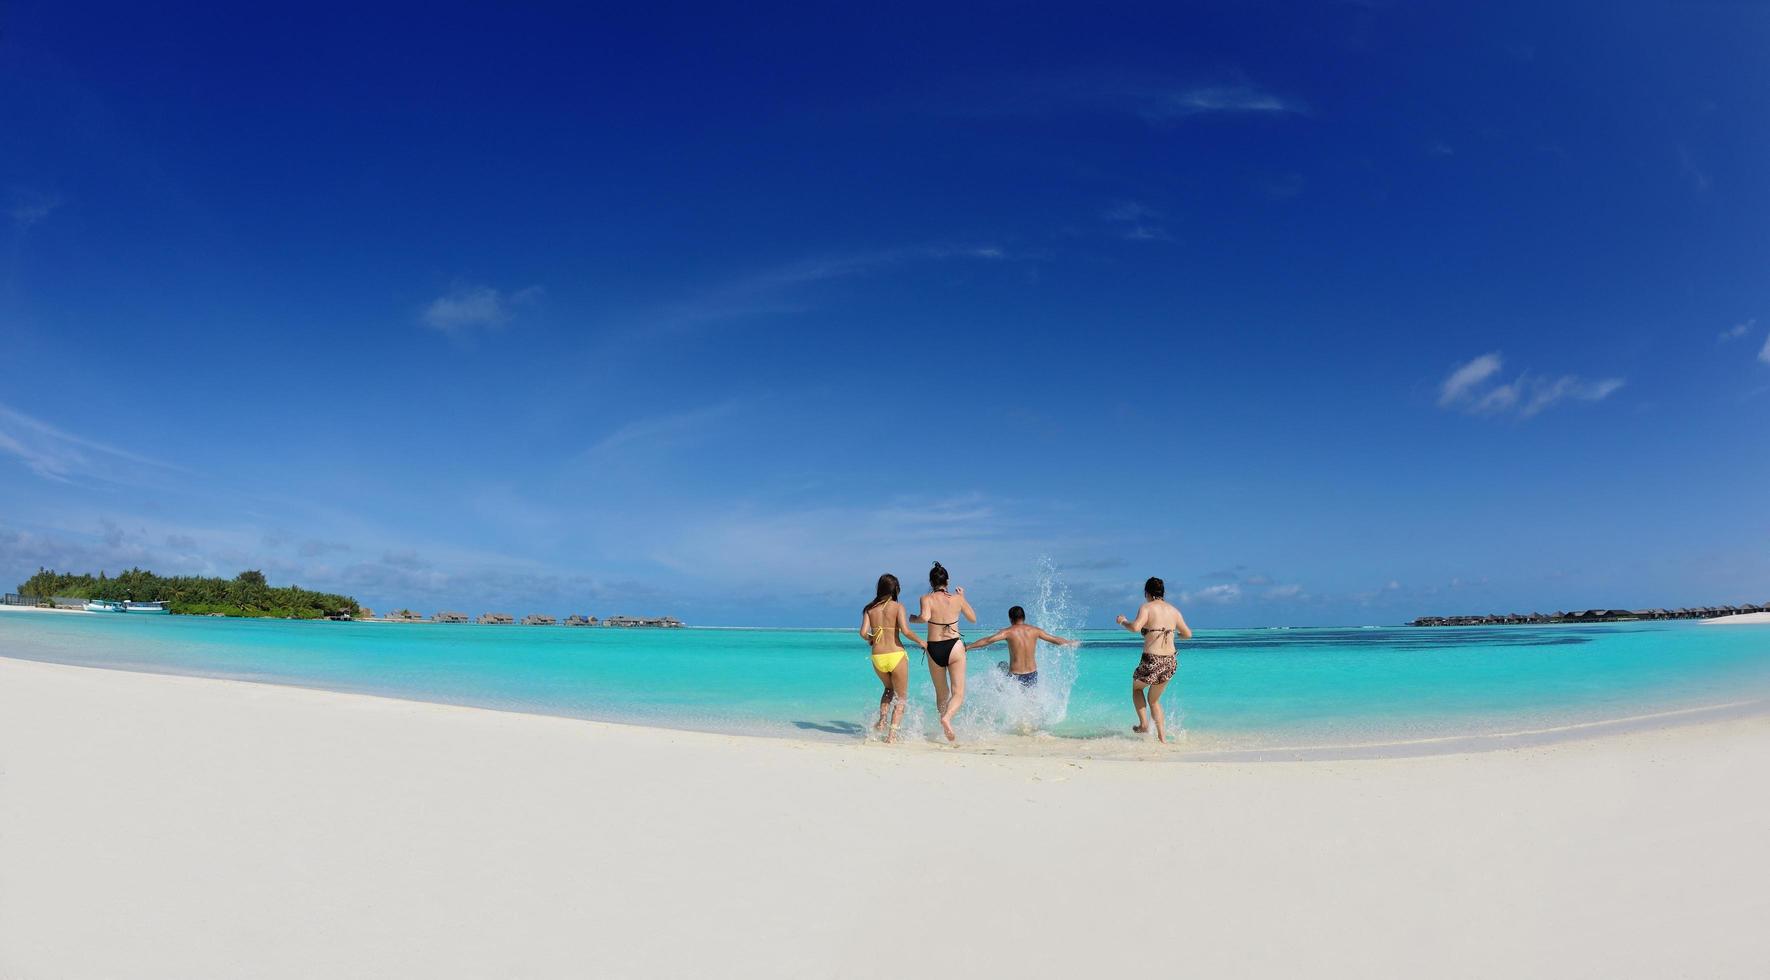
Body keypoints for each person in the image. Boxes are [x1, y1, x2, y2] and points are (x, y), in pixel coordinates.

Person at [1115, 576, 1191, 743]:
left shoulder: (1147, 608)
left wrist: (1123, 621)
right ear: (1162, 593)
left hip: (1152, 660)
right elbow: (1187, 634)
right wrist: (1171, 633)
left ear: (1147, 593)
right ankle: (1162, 739)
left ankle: (1143, 725)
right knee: (1154, 700)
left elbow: (1135, 628)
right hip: (1170, 661)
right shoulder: (1174, 611)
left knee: (1137, 689)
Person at [860, 573, 926, 743]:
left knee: (888, 690)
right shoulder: (898, 607)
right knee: (901, 697)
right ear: (896, 589)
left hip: (878, 657)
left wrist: (871, 638)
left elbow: (862, 633)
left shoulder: (869, 609)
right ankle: (892, 735)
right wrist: (921, 641)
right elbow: (906, 631)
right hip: (896, 654)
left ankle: (882, 720)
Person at [917, 561, 976, 742]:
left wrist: (912, 618)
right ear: (947, 581)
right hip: (954, 646)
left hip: (934, 648)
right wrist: (962, 597)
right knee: (958, 693)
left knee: (941, 694)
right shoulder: (957, 599)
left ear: (931, 582)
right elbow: (973, 619)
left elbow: (924, 618)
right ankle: (947, 718)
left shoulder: (926, 599)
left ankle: (943, 725)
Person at [965, 605, 1078, 687]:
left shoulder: (1007, 632)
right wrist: (1069, 642)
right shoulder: (1035, 630)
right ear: (1024, 617)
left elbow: (987, 641)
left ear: (1010, 619)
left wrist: (968, 647)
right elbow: (1054, 639)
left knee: (1001, 666)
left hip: (1016, 676)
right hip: (1032, 674)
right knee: (1030, 700)